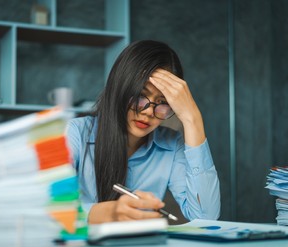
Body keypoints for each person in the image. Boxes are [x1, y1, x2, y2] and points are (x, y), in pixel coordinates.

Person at [66, 40, 220, 224]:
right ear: (119, 88)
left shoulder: (171, 144)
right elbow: (46, 209)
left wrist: (192, 119)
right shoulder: (75, 133)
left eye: (163, 102)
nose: (148, 111)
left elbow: (206, 217)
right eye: (140, 95)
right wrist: (109, 213)